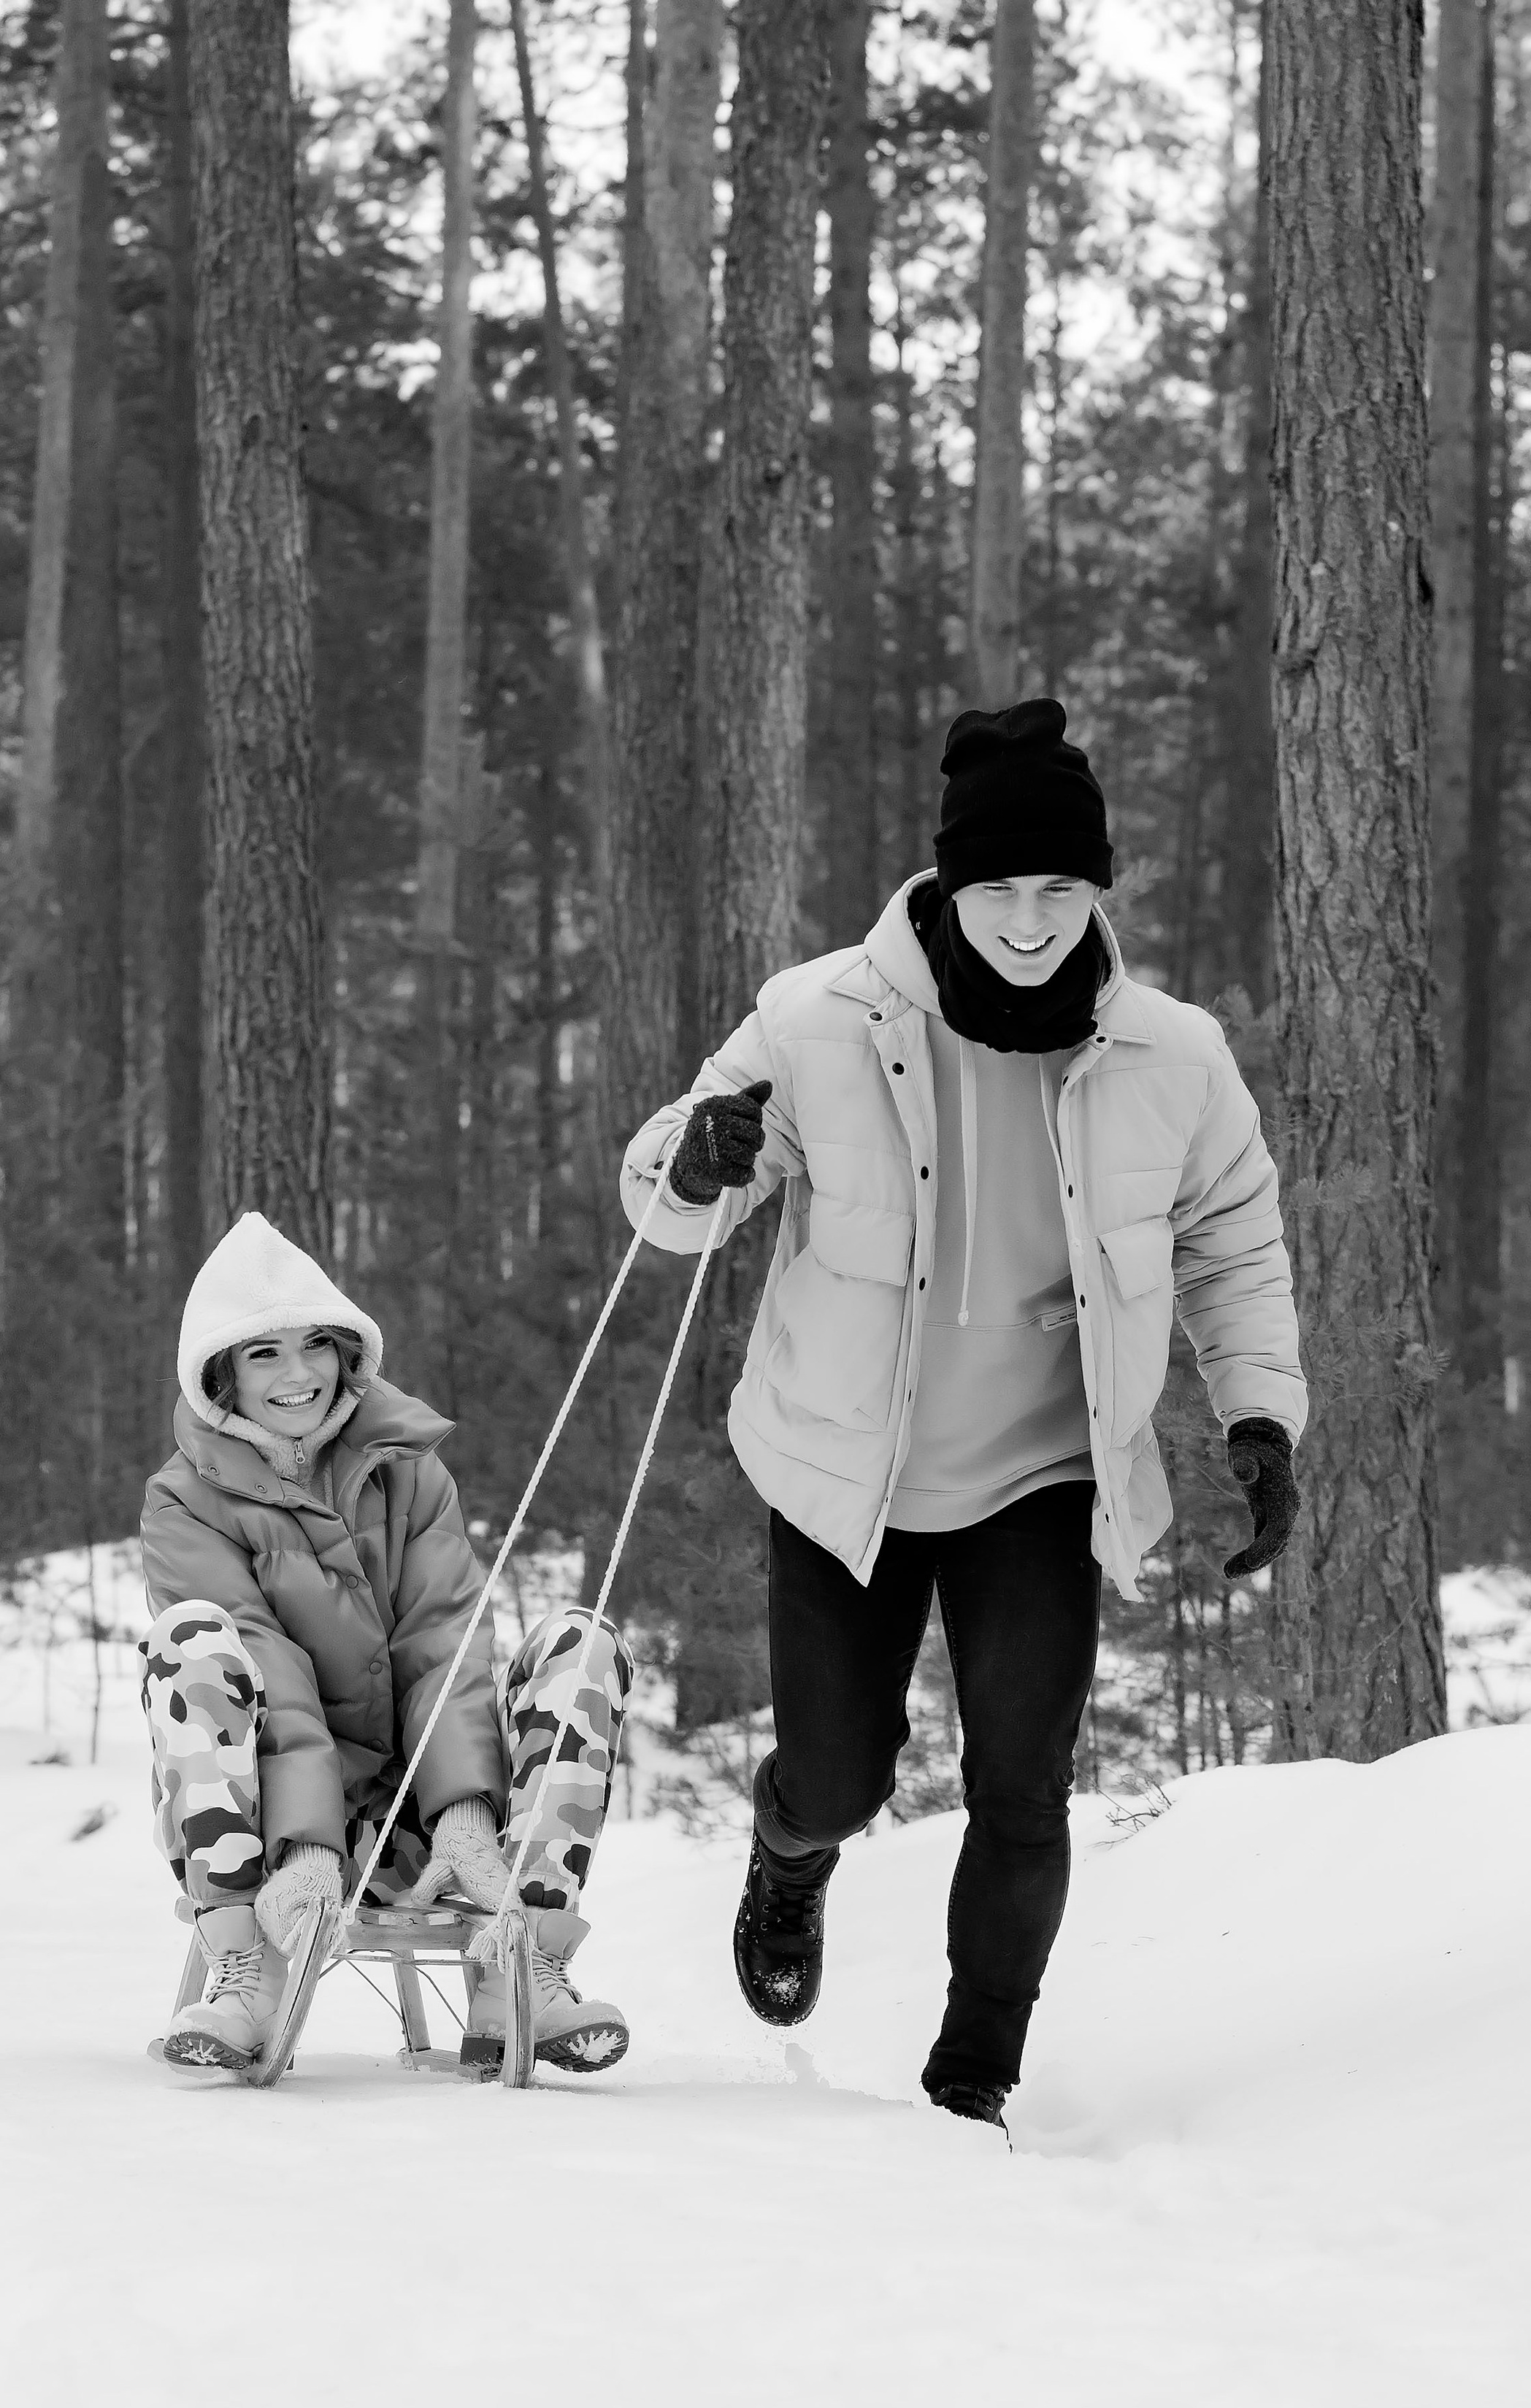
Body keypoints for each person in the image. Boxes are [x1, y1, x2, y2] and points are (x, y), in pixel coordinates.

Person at [621, 697, 1306, 2126]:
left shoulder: (1168, 1057)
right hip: (842, 1465)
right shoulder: (818, 1020)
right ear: (949, 882)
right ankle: (787, 1852)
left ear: (1095, 892)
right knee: (838, 1770)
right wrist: (696, 1163)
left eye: (1062, 889)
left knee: (1019, 1788)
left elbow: (1232, 1244)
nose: (1030, 919)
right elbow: (670, 1213)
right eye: (1002, 887)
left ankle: (971, 2077)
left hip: (1045, 1475)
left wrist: (1258, 1419)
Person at [138, 1211, 632, 2076]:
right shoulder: (184, 1501)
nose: (299, 1376)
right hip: (267, 1832)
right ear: (222, 1376)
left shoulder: (407, 1467)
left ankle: (520, 1959)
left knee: (579, 1643)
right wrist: (309, 1843)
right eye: (264, 1354)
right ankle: (248, 1968)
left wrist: (465, 1813)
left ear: (345, 1350)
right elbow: (269, 1662)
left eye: (314, 1346)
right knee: (194, 1645)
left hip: (418, 1819)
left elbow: (444, 1637)